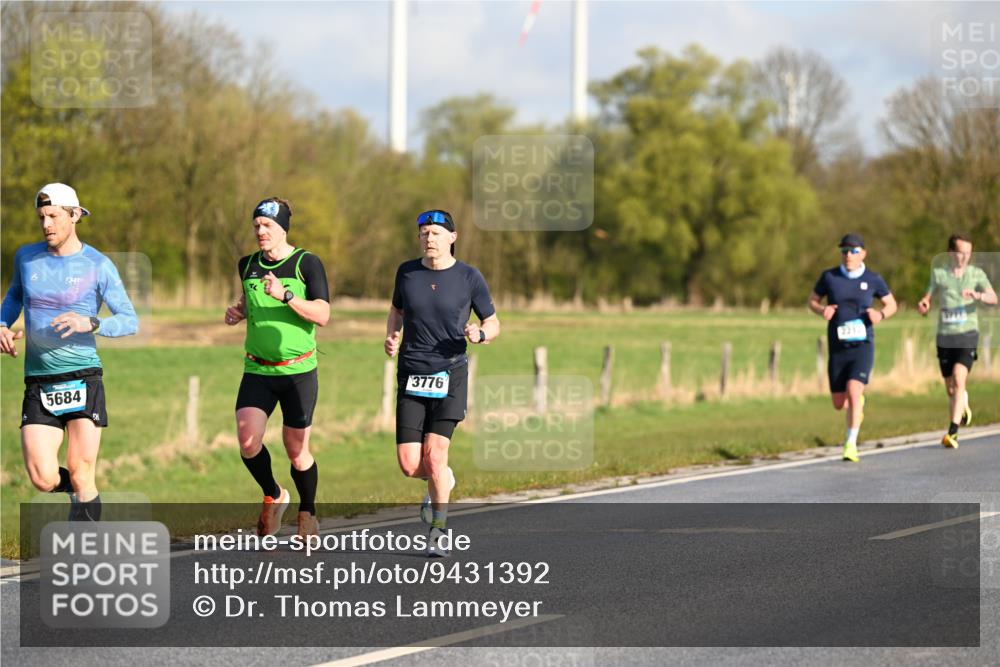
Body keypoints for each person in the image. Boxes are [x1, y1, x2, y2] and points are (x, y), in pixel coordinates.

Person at [0, 183, 138, 520]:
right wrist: (2, 325)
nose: (47, 224)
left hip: (82, 378)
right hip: (39, 381)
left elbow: (129, 320)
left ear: (75, 216)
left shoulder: (98, 264)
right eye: (42, 217)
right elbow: (14, 297)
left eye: (54, 216)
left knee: (81, 470)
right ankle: (79, 495)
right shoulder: (26, 258)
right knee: (43, 477)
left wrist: (90, 323)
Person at [385, 210, 499, 557]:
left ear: (452, 237)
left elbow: (493, 322)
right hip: (411, 372)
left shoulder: (469, 277)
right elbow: (396, 311)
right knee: (410, 464)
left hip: (450, 373)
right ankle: (443, 481)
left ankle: (438, 530)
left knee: (435, 456)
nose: (428, 238)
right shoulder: (407, 272)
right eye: (423, 233)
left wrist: (479, 333)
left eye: (435, 233)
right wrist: (391, 335)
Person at [225, 198, 330, 538]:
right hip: (258, 369)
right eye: (256, 225)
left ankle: (308, 511)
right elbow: (248, 301)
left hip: (298, 371)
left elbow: (323, 315)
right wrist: (238, 312)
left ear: (283, 228)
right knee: (247, 441)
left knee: (297, 451)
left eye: (267, 225)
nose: (260, 232)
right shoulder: (247, 265)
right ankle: (274, 493)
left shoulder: (307, 264)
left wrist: (286, 296)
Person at [808, 233, 897, 463]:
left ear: (863, 254)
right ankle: (854, 408)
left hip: (863, 345)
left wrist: (880, 314)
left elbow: (891, 304)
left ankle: (850, 444)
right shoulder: (830, 277)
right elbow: (813, 300)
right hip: (838, 348)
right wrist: (822, 311)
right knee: (840, 403)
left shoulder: (873, 279)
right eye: (845, 251)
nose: (848, 255)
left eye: (854, 251)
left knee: (855, 391)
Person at [917, 233, 997, 449]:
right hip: (945, 335)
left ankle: (952, 432)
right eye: (960, 253)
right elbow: (927, 297)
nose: (964, 257)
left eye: (968, 253)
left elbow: (993, 298)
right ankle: (963, 403)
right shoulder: (939, 274)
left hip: (967, 334)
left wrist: (978, 296)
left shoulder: (976, 274)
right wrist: (924, 305)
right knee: (951, 389)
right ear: (951, 252)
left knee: (959, 378)